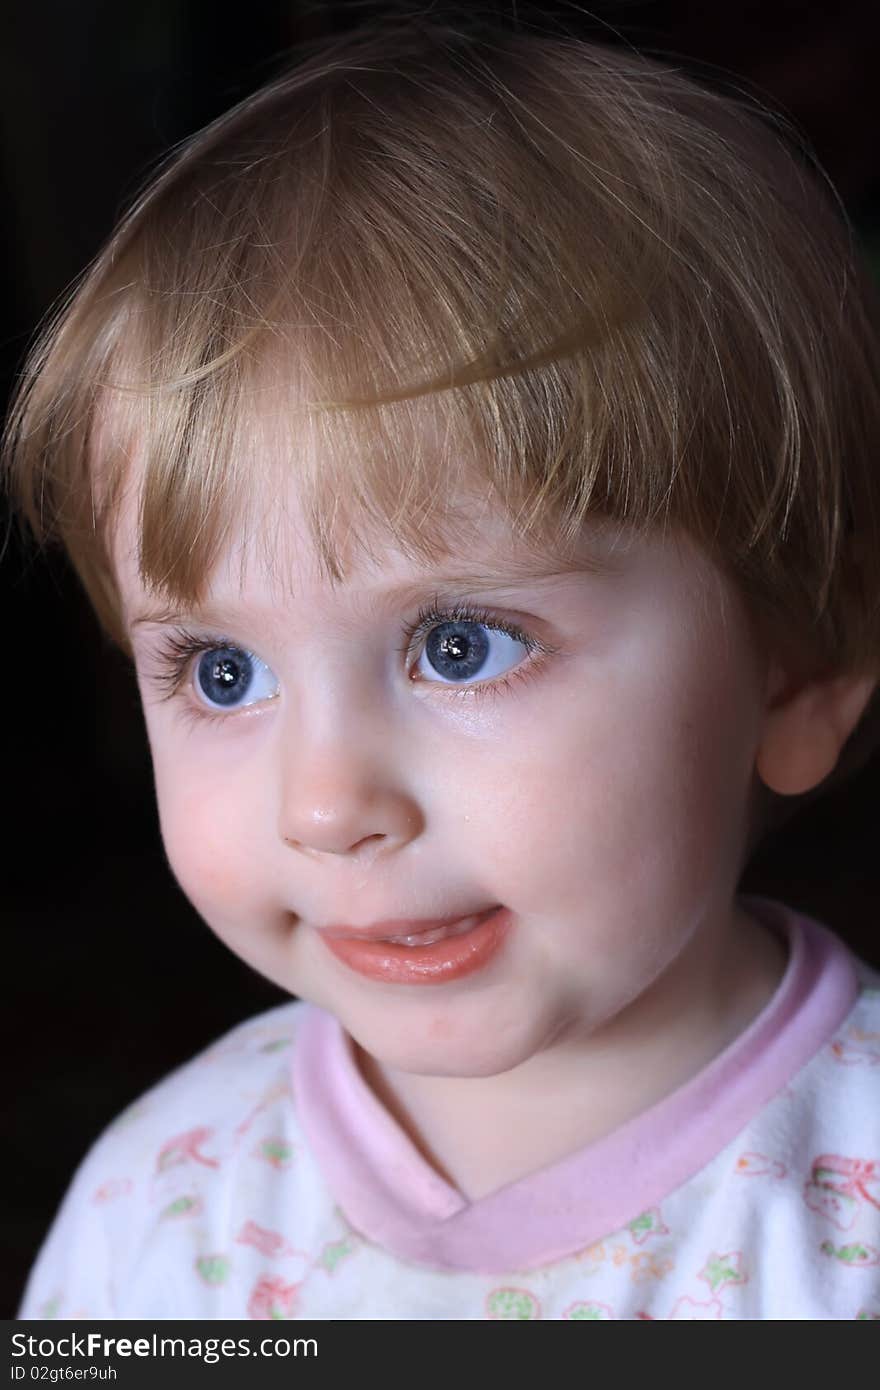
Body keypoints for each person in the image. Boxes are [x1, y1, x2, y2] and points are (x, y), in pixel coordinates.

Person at [6, 16, 880, 1321]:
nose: (326, 802)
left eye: (461, 645)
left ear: (799, 672)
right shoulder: (160, 1212)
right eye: (225, 670)